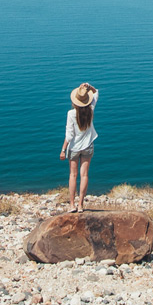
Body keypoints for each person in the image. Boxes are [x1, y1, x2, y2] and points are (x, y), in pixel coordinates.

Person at [59, 82, 98, 212]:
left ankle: (72, 205)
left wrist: (63, 149)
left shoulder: (71, 114)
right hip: (88, 146)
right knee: (84, 175)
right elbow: (96, 92)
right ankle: (81, 205)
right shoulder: (91, 109)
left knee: (72, 175)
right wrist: (89, 87)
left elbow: (69, 135)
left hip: (74, 148)